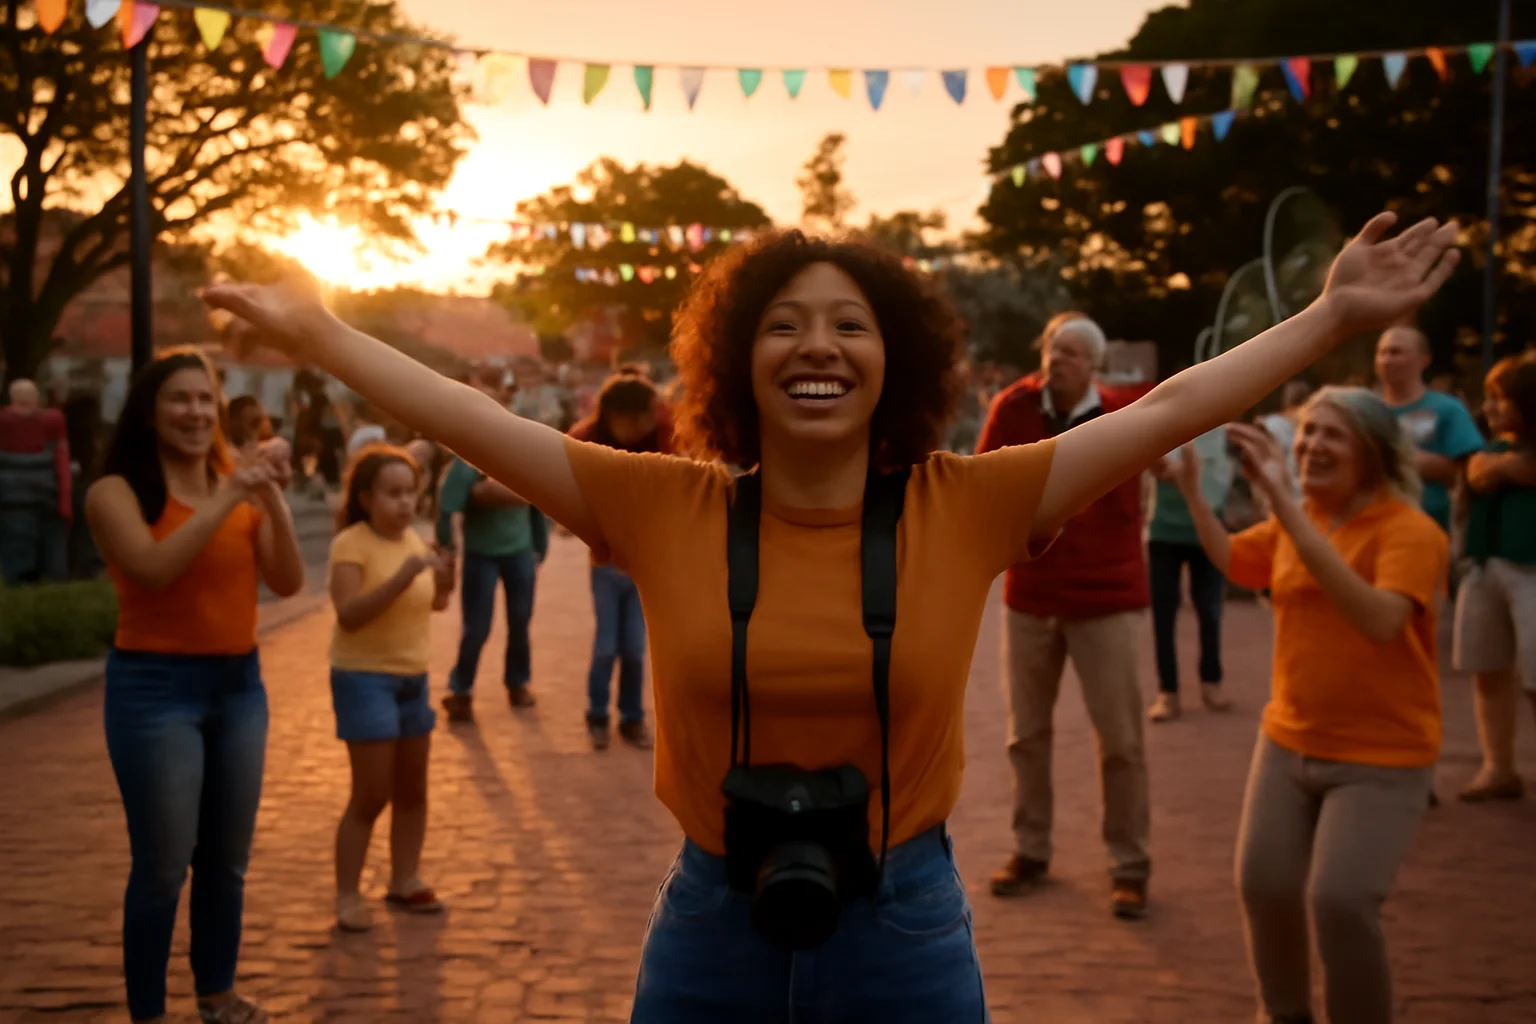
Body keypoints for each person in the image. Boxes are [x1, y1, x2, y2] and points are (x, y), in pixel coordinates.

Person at [203, 211, 1459, 1021]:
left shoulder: (969, 502)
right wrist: (319, 332)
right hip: (708, 918)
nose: (819, 345)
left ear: (892, 360)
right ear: (740, 362)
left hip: (904, 920)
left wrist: (1331, 318)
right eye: (785, 325)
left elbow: (1168, 408)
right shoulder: (663, 505)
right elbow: (470, 419)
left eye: (849, 324)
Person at [1172, 388, 1449, 1024]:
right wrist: (1193, 489)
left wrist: (1285, 506)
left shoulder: (1411, 532)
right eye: (1307, 433)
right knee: (1264, 886)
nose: (1311, 446)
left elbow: (1380, 621)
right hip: (1289, 742)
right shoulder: (1304, 521)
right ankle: (1284, 1014)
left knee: (1341, 901)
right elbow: (1237, 561)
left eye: (1333, 435)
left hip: (1383, 756)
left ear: (1373, 456)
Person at [84, 349, 305, 1024]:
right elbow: (153, 569)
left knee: (226, 860)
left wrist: (267, 494)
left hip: (239, 684)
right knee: (161, 867)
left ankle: (217, 994)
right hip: (154, 689)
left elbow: (289, 581)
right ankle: (147, 1012)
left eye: (206, 400)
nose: (195, 412)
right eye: (179, 400)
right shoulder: (115, 491)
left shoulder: (231, 480)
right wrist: (233, 493)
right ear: (149, 412)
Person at [975, 313, 1156, 918]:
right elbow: (984, 483)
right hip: (1031, 594)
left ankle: (1129, 864)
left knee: (1121, 740)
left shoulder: (1122, 414)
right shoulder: (1013, 408)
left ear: (1095, 366)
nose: (1060, 360)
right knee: (1026, 735)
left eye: (1074, 352)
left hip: (1107, 596)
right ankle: (1031, 849)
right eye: (1054, 348)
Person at [328, 446, 454, 931]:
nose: (406, 503)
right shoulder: (351, 544)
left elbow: (435, 606)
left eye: (411, 492)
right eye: (393, 493)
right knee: (371, 793)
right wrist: (406, 577)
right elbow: (350, 615)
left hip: (412, 678)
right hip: (363, 678)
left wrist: (444, 582)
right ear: (366, 497)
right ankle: (346, 894)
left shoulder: (416, 543)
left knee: (412, 790)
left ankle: (404, 879)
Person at [567, 370, 673, 750]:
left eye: (645, 416)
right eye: (629, 420)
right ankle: (597, 715)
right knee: (605, 647)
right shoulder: (584, 441)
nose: (638, 426)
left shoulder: (668, 436)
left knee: (634, 648)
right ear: (610, 416)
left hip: (646, 563)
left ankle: (632, 718)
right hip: (606, 564)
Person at [1453, 353, 1536, 802]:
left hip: (1531, 570)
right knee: (1487, 667)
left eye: (1503, 400)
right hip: (1485, 565)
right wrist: (1505, 468)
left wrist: (1504, 470)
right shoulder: (1495, 450)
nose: (1492, 409)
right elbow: (1478, 474)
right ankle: (1498, 766)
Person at [436, 422, 548, 719]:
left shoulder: (523, 458)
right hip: (481, 555)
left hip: (520, 552)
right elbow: (448, 507)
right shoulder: (469, 461)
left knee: (521, 621)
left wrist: (540, 545)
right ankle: (461, 689)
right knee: (477, 627)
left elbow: (539, 503)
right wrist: (446, 545)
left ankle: (518, 682)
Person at [1146, 424, 1235, 722]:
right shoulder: (1164, 425)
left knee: (1210, 609)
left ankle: (1211, 683)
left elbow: (1226, 474)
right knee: (1163, 614)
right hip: (1163, 531)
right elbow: (1153, 466)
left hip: (1208, 531)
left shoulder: (1222, 428)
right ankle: (1167, 692)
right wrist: (1166, 470)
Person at [1374, 325, 1484, 532]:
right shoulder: (1366, 410)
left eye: (1396, 352)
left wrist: (1402, 459)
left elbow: (1471, 471)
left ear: (1424, 360)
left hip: (1433, 524)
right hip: (1374, 523)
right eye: (1382, 352)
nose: (1387, 359)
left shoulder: (1448, 408)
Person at [0, 378, 72, 584]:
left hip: (10, 499)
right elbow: (62, 459)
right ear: (36, 397)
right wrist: (65, 501)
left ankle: (22, 591)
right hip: (47, 496)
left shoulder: (3, 421)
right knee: (52, 554)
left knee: (18, 556)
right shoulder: (53, 420)